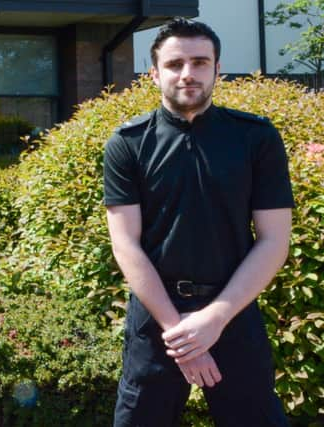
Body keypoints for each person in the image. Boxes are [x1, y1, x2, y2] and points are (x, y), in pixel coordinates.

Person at [103, 18, 294, 426]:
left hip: (233, 311)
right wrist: (182, 336)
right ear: (153, 73)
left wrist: (214, 319)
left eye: (200, 62)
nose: (188, 74)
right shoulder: (128, 144)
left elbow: (274, 240)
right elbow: (126, 245)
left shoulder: (256, 139)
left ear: (217, 69)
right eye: (174, 64)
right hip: (157, 322)